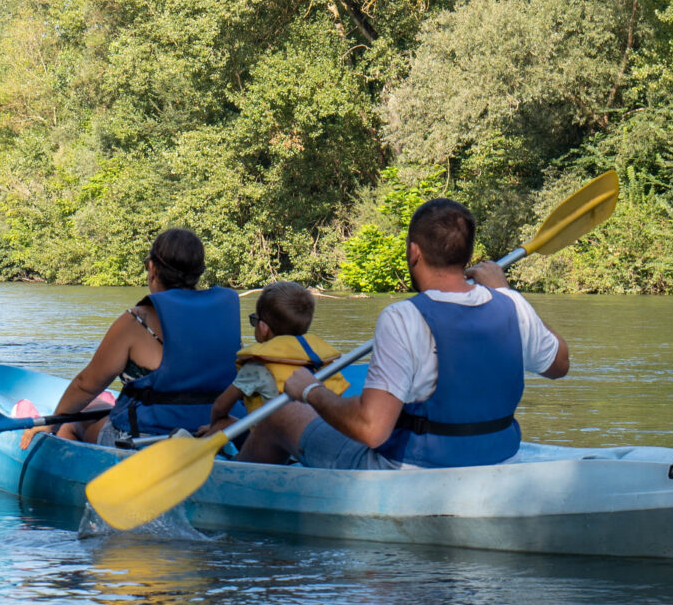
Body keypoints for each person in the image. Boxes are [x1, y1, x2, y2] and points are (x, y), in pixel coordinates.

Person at [269, 197, 569, 469]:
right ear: (467, 254)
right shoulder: (510, 304)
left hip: (414, 474)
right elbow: (559, 365)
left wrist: (310, 391)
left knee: (281, 415)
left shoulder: (403, 317)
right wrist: (507, 292)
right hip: (498, 461)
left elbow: (371, 430)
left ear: (414, 252)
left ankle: (233, 492)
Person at [52, 228, 240, 446]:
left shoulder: (137, 321)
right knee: (102, 409)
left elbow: (86, 385)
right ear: (198, 272)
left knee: (74, 421)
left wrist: (51, 423)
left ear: (152, 269)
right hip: (213, 433)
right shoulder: (225, 313)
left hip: (146, 440)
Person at [206, 280, 343, 464]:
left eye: (254, 320)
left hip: (270, 449)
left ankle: (201, 453)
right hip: (309, 444)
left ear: (263, 328)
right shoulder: (319, 362)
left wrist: (214, 425)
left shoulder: (258, 366)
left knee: (225, 423)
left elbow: (220, 407)